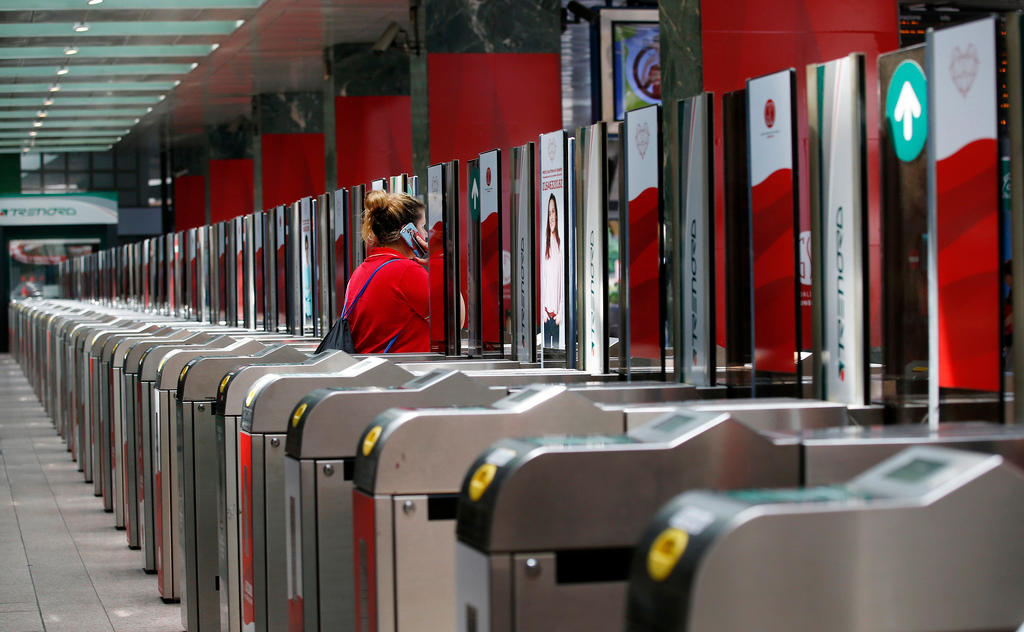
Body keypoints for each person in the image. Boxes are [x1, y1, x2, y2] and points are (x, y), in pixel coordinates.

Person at [342, 190, 430, 353]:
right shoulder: (407, 271)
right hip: (404, 373)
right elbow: (453, 322)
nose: (425, 234)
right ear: (408, 232)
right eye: (422, 227)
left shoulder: (360, 272)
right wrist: (444, 267)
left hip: (373, 373)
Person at [540, 192, 563, 348]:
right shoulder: (545, 245)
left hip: (557, 316)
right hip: (546, 315)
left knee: (557, 355)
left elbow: (564, 281)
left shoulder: (562, 245)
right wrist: (542, 310)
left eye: (553, 211)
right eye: (549, 213)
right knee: (547, 354)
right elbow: (543, 279)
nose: (552, 216)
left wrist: (561, 311)